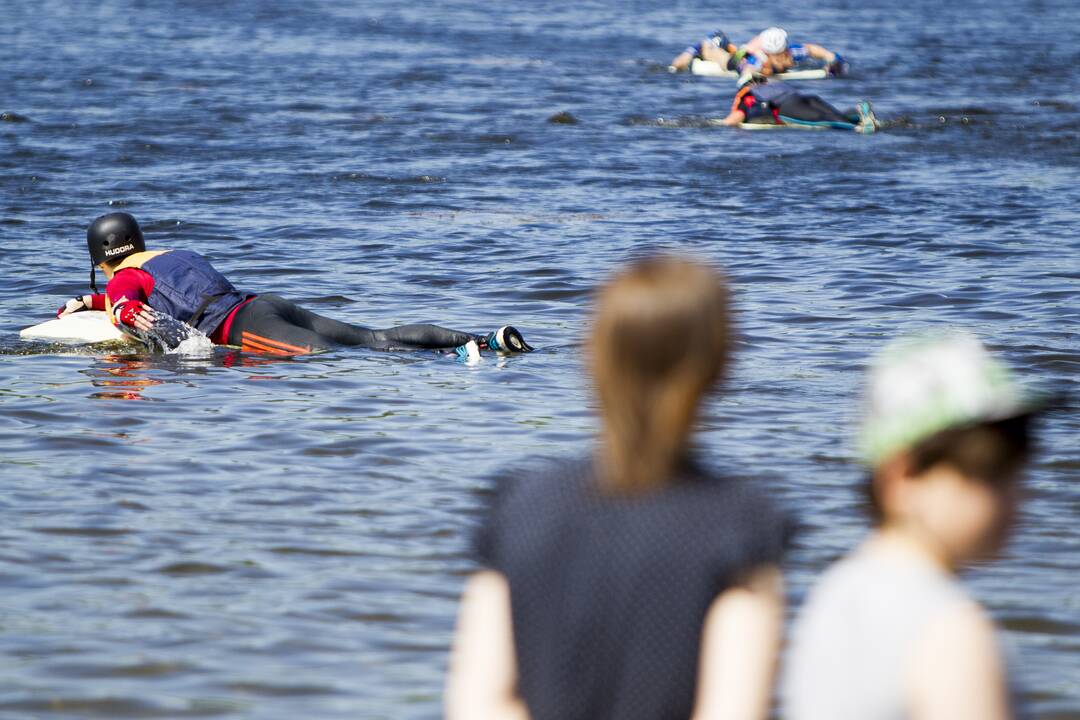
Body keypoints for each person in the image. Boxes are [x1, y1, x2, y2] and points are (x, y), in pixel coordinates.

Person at [445, 257, 790, 720]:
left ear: (594, 356)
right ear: (720, 365)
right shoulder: (741, 527)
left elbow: (478, 702)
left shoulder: (519, 507)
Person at [784, 333, 1047, 720]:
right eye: (988, 473)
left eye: (1018, 468)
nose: (1017, 495)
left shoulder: (830, 595)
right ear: (902, 479)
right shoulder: (954, 634)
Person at [58, 212, 532, 357]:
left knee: (344, 357)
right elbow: (160, 289)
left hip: (242, 328)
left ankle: (456, 361)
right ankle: (484, 340)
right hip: (266, 303)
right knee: (372, 337)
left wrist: (117, 325)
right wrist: (91, 300)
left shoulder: (125, 280)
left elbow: (127, 304)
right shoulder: (173, 255)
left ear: (102, 260)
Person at [669, 25, 848, 78]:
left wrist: (832, 58)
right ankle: (714, 39)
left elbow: (811, 49)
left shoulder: (789, 53)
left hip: (741, 51)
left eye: (784, 53)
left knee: (733, 50)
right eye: (779, 55)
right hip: (720, 54)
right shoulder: (758, 60)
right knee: (679, 63)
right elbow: (748, 73)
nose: (785, 56)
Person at [720, 77, 880, 132]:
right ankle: (859, 114)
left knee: (824, 120)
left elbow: (739, 115)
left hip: (788, 106)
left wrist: (721, 124)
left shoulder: (747, 93)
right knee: (836, 114)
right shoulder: (774, 83)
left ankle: (859, 128)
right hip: (806, 97)